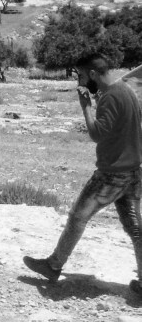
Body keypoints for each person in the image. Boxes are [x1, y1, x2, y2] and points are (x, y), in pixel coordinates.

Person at [24, 53, 142, 299]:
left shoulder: (110, 98)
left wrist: (86, 107)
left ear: (92, 74)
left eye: (80, 74)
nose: (78, 78)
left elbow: (97, 134)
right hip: (133, 172)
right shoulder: (127, 90)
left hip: (111, 174)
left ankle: (53, 265)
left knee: (78, 216)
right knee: (135, 229)